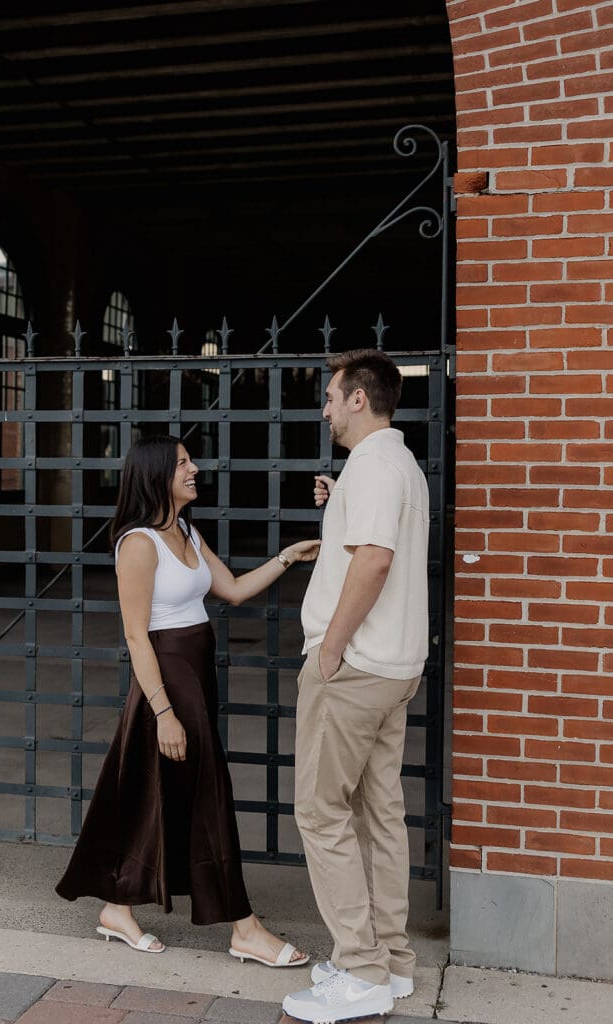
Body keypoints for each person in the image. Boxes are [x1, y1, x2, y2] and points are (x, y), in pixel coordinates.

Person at [56, 434, 320, 968]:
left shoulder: (185, 531)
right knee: (208, 794)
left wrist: (288, 556)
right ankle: (243, 927)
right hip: (168, 680)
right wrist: (164, 713)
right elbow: (135, 635)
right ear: (158, 474)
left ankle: (117, 907)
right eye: (183, 463)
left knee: (153, 790)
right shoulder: (137, 544)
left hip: (195, 674)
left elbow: (235, 590)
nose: (195, 468)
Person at [282, 349, 430, 1023]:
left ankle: (362, 971)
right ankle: (392, 963)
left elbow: (372, 562)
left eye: (331, 396)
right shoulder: (395, 464)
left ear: (358, 400)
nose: (325, 408)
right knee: (379, 815)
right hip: (394, 668)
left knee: (319, 813)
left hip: (355, 666)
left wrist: (331, 648)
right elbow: (373, 541)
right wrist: (339, 502)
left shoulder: (372, 464)